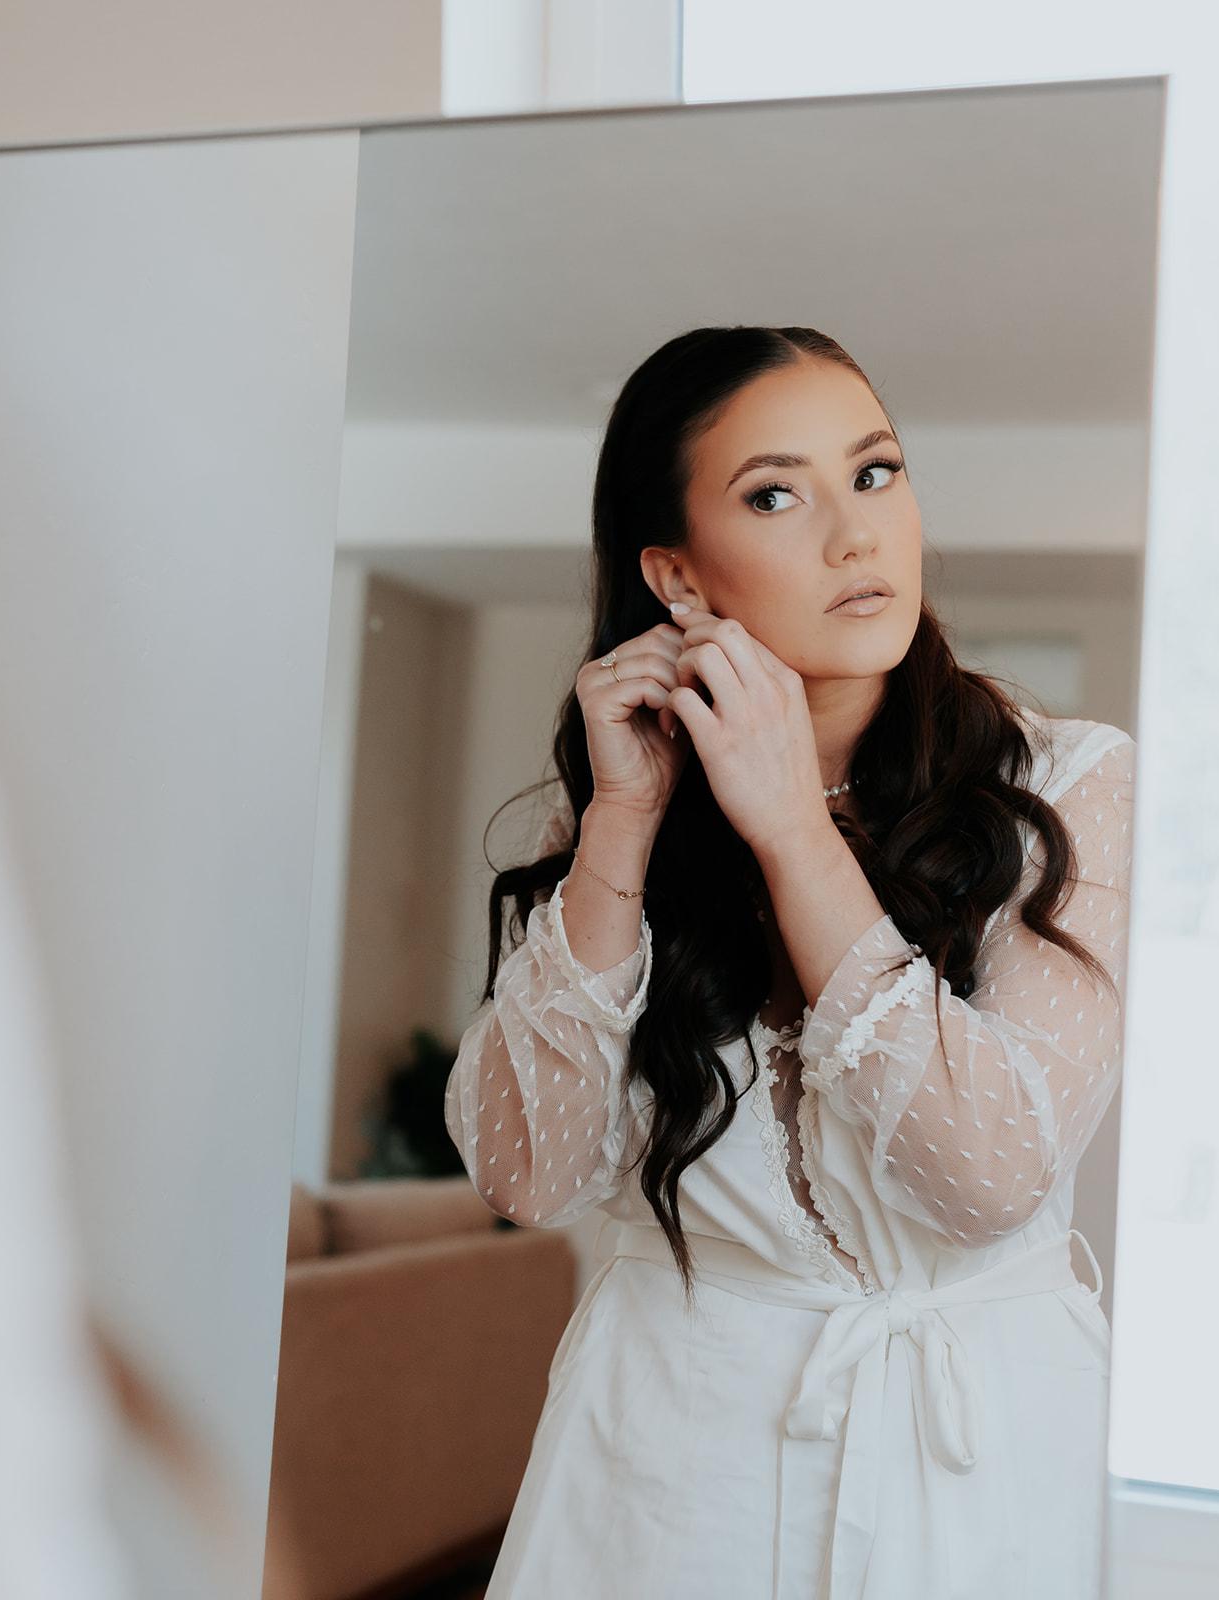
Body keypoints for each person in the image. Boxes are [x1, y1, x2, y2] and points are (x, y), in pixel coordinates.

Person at [444, 327, 1133, 1600]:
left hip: (975, 1464)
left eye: (876, 472)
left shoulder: (1071, 784)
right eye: (776, 493)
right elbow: (526, 1172)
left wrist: (791, 831)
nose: (856, 533)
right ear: (680, 577)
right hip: (667, 1459)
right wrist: (619, 824)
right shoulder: (622, 808)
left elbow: (987, 1175)